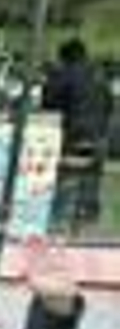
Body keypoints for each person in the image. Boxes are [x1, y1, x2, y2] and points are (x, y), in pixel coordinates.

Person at [41, 38, 112, 233]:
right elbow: (109, 106)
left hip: (73, 137)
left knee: (65, 182)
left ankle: (58, 224)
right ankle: (84, 225)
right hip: (98, 138)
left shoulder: (63, 75)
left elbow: (48, 105)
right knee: (89, 183)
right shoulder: (100, 76)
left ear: (65, 57)